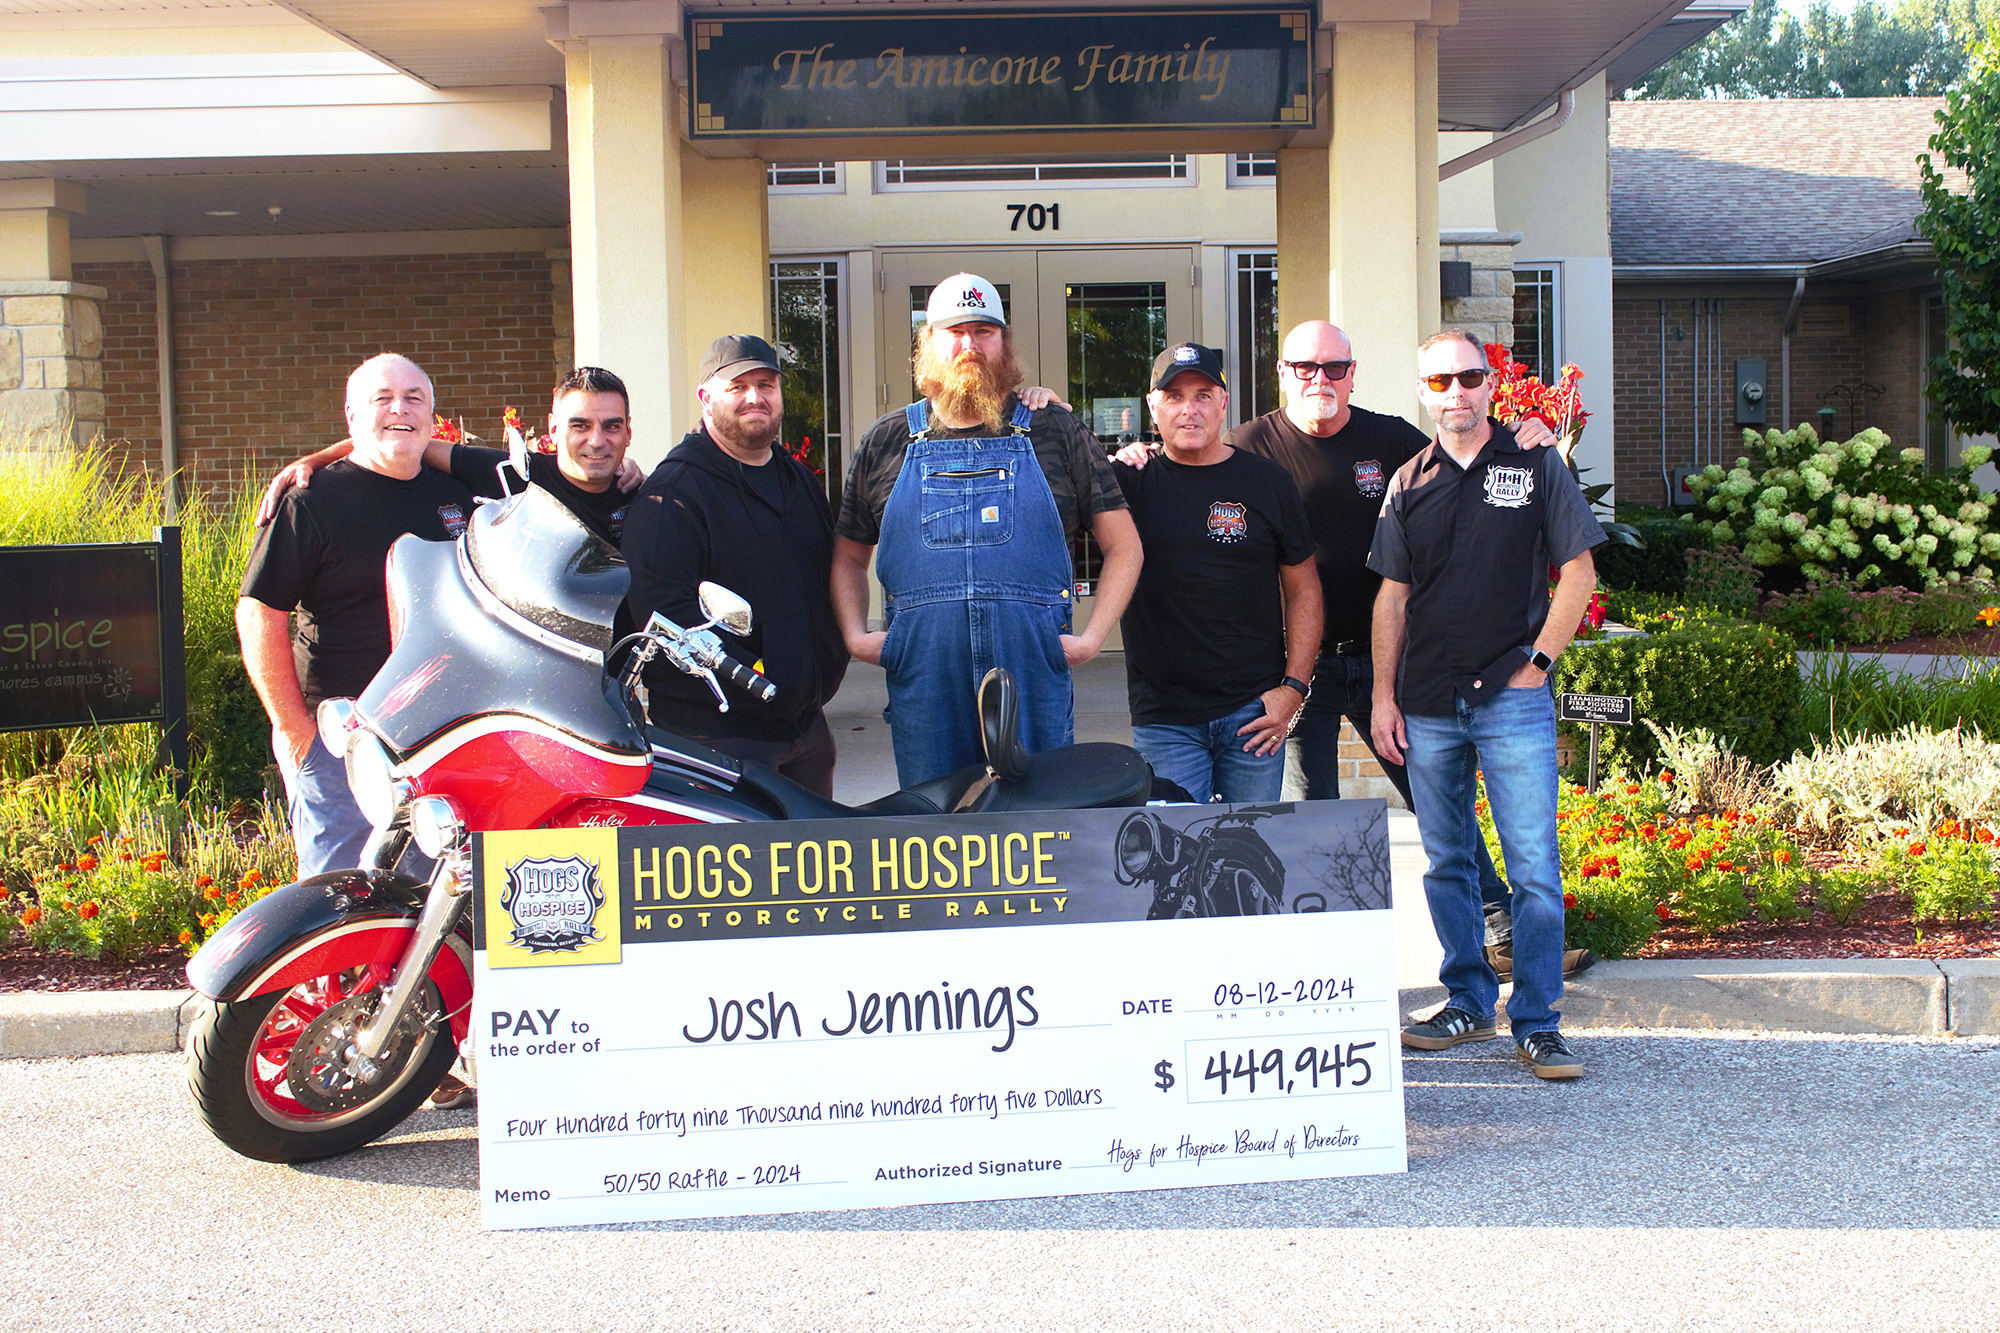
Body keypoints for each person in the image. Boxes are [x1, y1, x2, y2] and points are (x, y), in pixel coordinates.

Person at [1369, 330, 1605, 1080]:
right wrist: (1382, 694)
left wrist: (1540, 662)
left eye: (1470, 377)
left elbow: (1578, 572)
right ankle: (1468, 1001)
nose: (1457, 392)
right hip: (1429, 698)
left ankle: (1536, 1020)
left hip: (1512, 696)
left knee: (1534, 865)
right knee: (1448, 861)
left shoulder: (1536, 462)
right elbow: (1393, 596)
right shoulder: (1407, 481)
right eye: (1440, 381)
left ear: (1490, 383)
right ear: (1423, 392)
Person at [830, 273, 1142, 788]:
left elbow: (1124, 547)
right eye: (954, 331)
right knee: (935, 834)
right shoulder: (887, 440)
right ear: (927, 342)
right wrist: (855, 636)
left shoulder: (1055, 430)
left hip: (1031, 666)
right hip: (926, 672)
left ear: (1004, 342)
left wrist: (1090, 639)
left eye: (983, 330)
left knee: (1038, 830)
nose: (968, 345)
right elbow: (847, 557)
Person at [238, 353, 476, 879]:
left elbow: (566, 477)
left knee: (433, 898)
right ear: (351, 415)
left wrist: (627, 472)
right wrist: (294, 729)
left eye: (414, 398)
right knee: (339, 899)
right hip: (341, 739)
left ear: (433, 415)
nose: (400, 409)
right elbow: (258, 613)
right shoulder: (311, 501)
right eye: (382, 399)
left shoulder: (460, 492)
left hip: (438, 736)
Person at [622, 335, 848, 795]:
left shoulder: (797, 480)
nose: (754, 397)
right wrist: (755, 678)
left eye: (766, 384)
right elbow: (664, 612)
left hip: (806, 730)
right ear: (706, 397)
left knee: (813, 866)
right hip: (720, 738)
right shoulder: (675, 495)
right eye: (737, 386)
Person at [1113, 343, 1320, 803]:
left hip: (1255, 713)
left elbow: (1304, 591)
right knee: (1175, 862)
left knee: (1250, 854)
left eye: (1203, 395)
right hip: (1165, 717)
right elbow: (1053, 487)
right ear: (1152, 406)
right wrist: (1042, 406)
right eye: (1174, 397)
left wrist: (1293, 690)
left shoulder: (1268, 482)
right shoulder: (1126, 483)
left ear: (1223, 402)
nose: (1189, 410)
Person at [254, 366, 644, 545]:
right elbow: (404, 441)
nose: (596, 441)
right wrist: (314, 461)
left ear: (628, 431)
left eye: (610, 426)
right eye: (580, 426)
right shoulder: (511, 475)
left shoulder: (646, 496)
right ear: (553, 429)